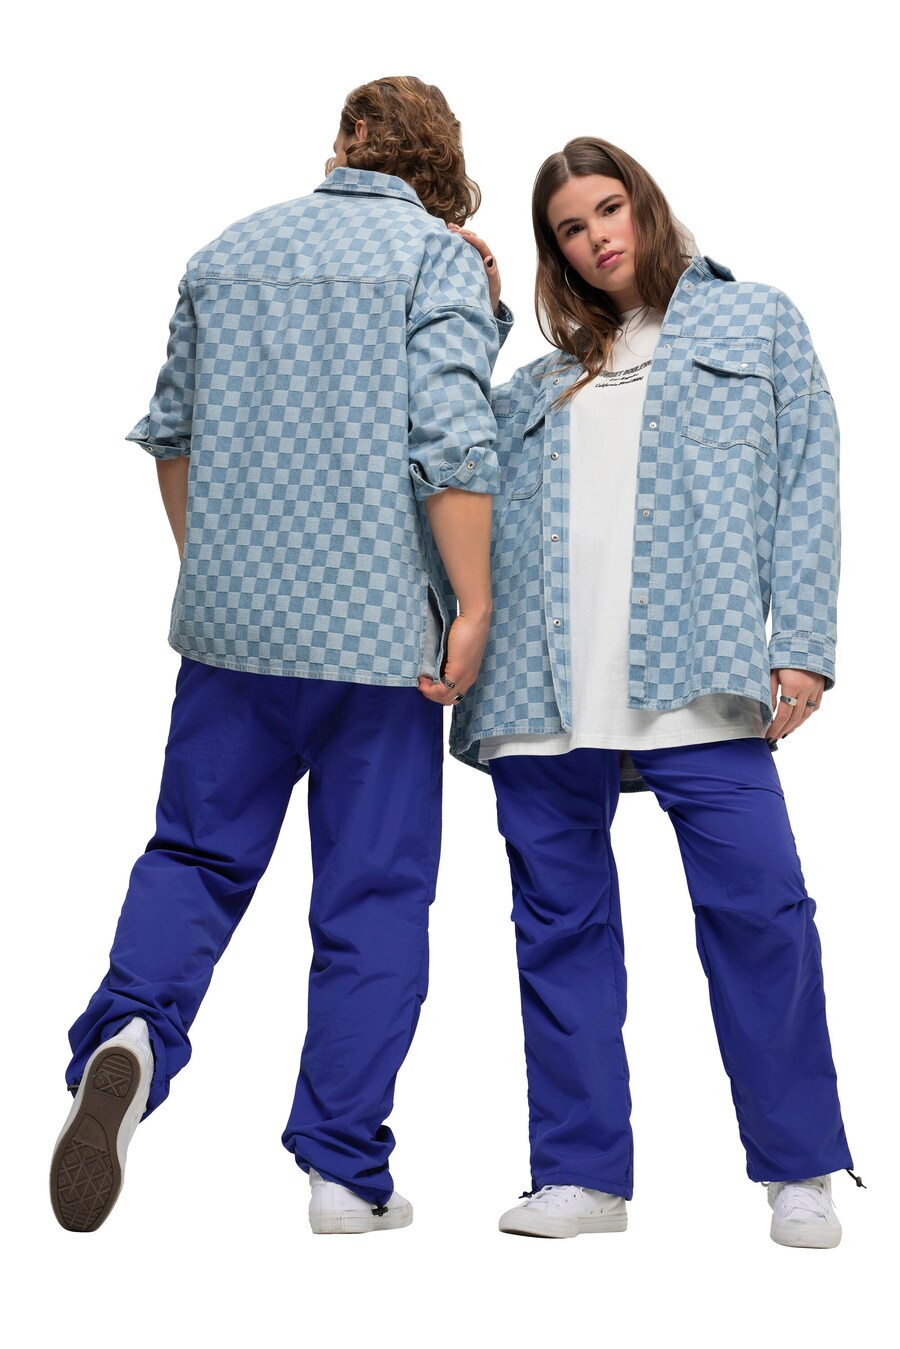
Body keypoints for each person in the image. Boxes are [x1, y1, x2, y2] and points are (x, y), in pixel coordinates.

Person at [50, 75, 509, 1235]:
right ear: (440, 163)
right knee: (372, 897)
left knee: (195, 855)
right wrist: (472, 601)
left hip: (233, 641)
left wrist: (216, 570)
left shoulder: (229, 250)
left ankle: (130, 1028)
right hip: (379, 646)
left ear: (346, 139)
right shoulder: (437, 260)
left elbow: (173, 436)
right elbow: (453, 440)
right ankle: (343, 1173)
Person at [452, 137, 857, 1247]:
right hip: (538, 691)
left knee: (763, 910)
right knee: (559, 931)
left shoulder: (755, 322)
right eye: (570, 230)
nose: (596, 237)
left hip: (699, 673)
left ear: (644, 203)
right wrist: (473, 319)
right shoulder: (536, 383)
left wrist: (803, 643)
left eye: (607, 208)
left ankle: (800, 1167)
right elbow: (448, 455)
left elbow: (810, 475)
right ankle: (579, 1174)